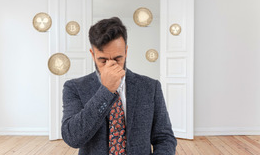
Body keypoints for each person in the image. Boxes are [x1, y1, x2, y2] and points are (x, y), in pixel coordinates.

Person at [61, 17, 177, 155]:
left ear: (126, 52)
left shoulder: (151, 87)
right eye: (103, 60)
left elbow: (165, 138)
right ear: (93, 54)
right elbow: (72, 138)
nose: (111, 66)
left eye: (117, 59)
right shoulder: (74, 87)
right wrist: (105, 91)